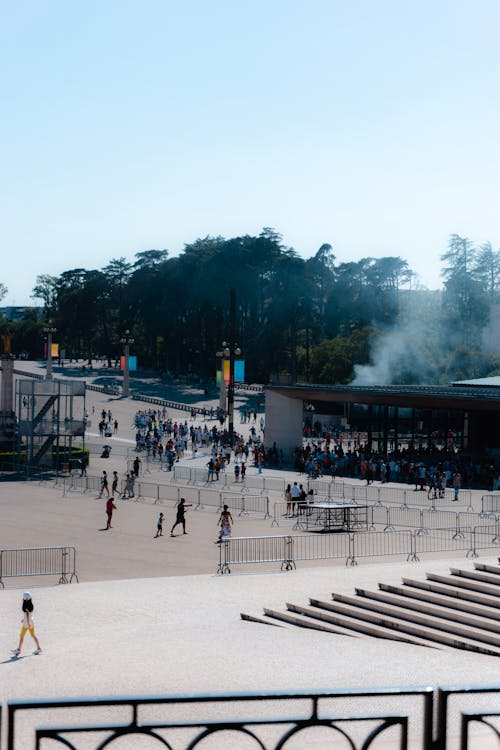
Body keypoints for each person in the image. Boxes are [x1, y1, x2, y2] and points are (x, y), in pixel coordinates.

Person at [13, 592, 42, 656]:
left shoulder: (24, 606)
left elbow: (27, 614)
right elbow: (29, 614)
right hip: (31, 621)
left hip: (27, 623)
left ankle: (19, 650)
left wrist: (27, 623)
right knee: (33, 635)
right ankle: (38, 648)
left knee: (22, 636)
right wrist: (24, 619)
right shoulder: (31, 605)